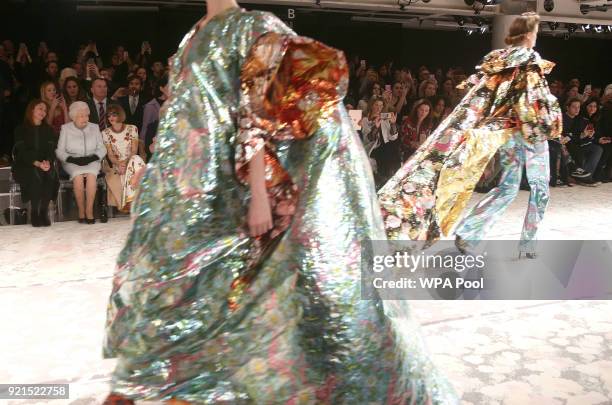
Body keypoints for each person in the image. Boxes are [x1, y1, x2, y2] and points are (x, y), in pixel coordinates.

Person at [102, 1, 457, 405]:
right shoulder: (194, 33)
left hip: (221, 197)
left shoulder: (253, 27)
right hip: (185, 199)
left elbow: (258, 113)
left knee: (227, 298)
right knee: (173, 295)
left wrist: (258, 193)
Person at [379, 12, 562, 259]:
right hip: (530, 134)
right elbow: (533, 103)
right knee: (540, 188)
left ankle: (469, 232)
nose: (536, 38)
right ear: (529, 35)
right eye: (536, 33)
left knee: (508, 187)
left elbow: (479, 96)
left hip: (506, 132)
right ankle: (528, 245)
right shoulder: (529, 60)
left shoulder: (498, 59)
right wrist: (549, 123)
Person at [56, 101, 107, 224]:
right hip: (72, 161)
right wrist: (72, 159)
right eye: (81, 116)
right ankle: (81, 211)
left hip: (92, 159)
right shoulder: (66, 128)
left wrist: (92, 158)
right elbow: (59, 151)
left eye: (86, 115)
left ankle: (89, 211)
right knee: (78, 176)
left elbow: (102, 148)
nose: (85, 118)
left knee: (91, 175)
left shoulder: (94, 127)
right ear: (73, 117)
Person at [11, 99, 59, 226]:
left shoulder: (48, 130)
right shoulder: (20, 129)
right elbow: (21, 152)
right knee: (36, 173)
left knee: (50, 173)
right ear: (32, 110)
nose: (43, 112)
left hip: (43, 164)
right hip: (24, 165)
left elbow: (51, 150)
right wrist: (37, 163)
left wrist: (48, 162)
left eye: (45, 110)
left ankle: (43, 212)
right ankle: (34, 213)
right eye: (40, 108)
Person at [101, 105, 146, 213]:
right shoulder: (105, 133)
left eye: (114, 114)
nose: (111, 117)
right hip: (117, 163)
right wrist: (119, 164)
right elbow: (110, 155)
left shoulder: (132, 128)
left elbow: (134, 151)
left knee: (135, 159)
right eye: (109, 115)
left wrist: (125, 163)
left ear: (120, 115)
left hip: (131, 160)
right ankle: (136, 201)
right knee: (136, 166)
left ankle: (130, 201)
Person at [361, 97, 400, 187]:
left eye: (381, 106)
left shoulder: (385, 118)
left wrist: (393, 123)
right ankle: (383, 178)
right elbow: (369, 139)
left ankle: (386, 178)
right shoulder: (365, 120)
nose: (379, 108)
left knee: (391, 148)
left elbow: (393, 137)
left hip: (385, 145)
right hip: (373, 146)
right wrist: (376, 127)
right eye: (376, 105)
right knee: (386, 150)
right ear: (371, 106)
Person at [141, 74, 169, 161]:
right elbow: (145, 128)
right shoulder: (151, 106)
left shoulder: (177, 103)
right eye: (170, 86)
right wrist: (143, 150)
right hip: (154, 143)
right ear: (161, 88)